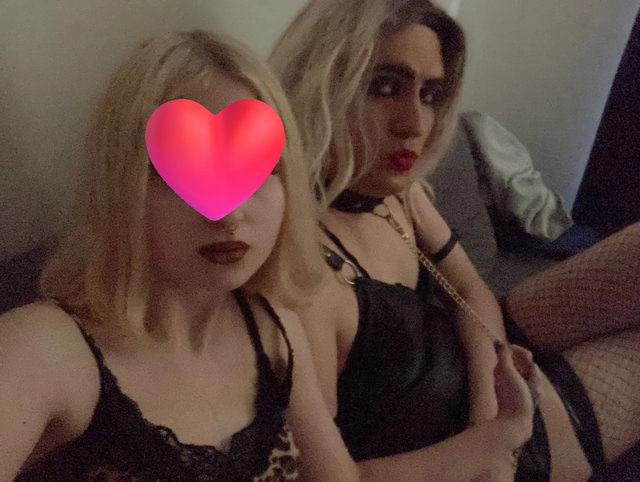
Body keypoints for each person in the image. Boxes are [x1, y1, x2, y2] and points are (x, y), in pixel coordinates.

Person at [269, 0, 640, 480]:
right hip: (509, 445)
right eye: (385, 87)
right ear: (320, 84)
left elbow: (469, 289)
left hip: (488, 365)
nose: (416, 124)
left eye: (430, 94)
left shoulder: (393, 190)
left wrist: (490, 409)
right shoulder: (303, 275)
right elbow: (323, 474)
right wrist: (499, 440)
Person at [0, 30, 368, 481]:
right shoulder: (42, 349)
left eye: (256, 168)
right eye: (181, 169)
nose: (228, 213)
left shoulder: (273, 326)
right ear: (121, 186)